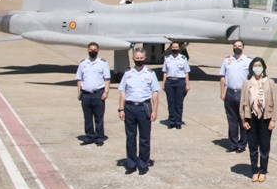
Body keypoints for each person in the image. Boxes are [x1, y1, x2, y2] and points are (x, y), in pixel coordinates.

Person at [117, 47, 159, 175]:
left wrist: (155, 111)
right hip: (129, 107)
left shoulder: (150, 74)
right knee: (130, 137)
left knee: (144, 138)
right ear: (133, 59)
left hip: (144, 107)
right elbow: (122, 92)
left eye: (141, 58)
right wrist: (121, 109)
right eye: (137, 58)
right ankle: (131, 164)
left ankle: (143, 164)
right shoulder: (128, 73)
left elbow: (155, 94)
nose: (139, 60)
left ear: (144, 59)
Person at [240, 57, 277, 183]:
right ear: (251, 67)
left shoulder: (269, 82)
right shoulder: (247, 83)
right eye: (255, 65)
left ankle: (262, 170)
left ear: (263, 67)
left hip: (265, 118)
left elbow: (275, 102)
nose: (257, 67)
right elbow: (242, 102)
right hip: (251, 117)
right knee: (252, 146)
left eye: (259, 65)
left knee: (264, 146)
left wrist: (273, 120)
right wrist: (243, 120)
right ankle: (254, 171)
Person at [75, 42, 111, 146]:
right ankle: (89, 136)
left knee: (99, 117)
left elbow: (107, 79)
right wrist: (79, 93)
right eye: (91, 50)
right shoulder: (83, 63)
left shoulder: (102, 63)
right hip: (86, 94)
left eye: (95, 50)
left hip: (98, 94)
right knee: (87, 117)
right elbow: (79, 79)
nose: (93, 52)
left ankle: (99, 137)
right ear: (87, 50)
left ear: (98, 50)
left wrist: (106, 92)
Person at [220, 40, 251, 153]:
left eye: (239, 46)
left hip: (243, 93)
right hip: (230, 92)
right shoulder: (227, 60)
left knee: (243, 119)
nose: (237, 47)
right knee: (231, 120)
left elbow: (252, 79)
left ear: (243, 48)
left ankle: (242, 144)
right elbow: (222, 77)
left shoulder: (248, 61)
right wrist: (222, 92)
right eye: (235, 46)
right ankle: (233, 144)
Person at [161, 41, 191, 129]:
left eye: (176, 47)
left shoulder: (183, 58)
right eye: (173, 47)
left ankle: (178, 122)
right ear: (171, 48)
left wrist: (187, 84)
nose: (175, 49)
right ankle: (171, 121)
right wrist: (164, 83)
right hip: (169, 82)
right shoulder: (167, 58)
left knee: (178, 103)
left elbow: (186, 73)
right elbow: (165, 72)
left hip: (180, 81)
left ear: (179, 48)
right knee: (171, 103)